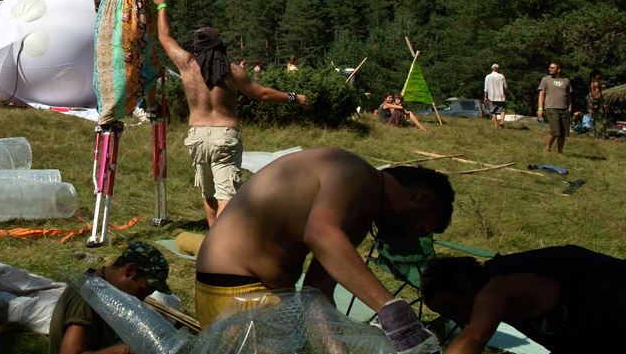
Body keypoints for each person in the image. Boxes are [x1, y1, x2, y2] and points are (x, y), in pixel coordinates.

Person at [195, 148, 454, 353]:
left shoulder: (360, 220)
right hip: (234, 294)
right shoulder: (355, 173)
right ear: (423, 198)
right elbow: (319, 234)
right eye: (420, 229)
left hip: (261, 298)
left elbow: (317, 292)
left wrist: (338, 351)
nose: (408, 238)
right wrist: (395, 314)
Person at [154, 0, 308, 228]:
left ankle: (213, 239)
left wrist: (162, 6)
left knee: (208, 193)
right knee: (226, 195)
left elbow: (165, 38)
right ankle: (222, 242)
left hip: (197, 137)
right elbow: (263, 94)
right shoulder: (233, 70)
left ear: (196, 47)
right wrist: (293, 97)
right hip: (225, 136)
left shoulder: (187, 65)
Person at [422, 246, 626, 354]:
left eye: (452, 309)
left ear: (463, 282)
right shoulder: (503, 305)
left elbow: (474, 337)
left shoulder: (498, 286)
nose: (460, 322)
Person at [49, 241, 171, 354]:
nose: (141, 299)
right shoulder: (87, 299)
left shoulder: (106, 291)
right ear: (130, 270)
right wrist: (124, 349)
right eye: (142, 291)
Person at [537, 62, 572, 154]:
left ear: (559, 70)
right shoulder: (546, 80)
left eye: (553, 68)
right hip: (551, 107)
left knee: (563, 133)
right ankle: (547, 148)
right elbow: (542, 94)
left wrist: (570, 108)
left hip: (564, 108)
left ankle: (560, 152)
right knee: (555, 130)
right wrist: (540, 109)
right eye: (550, 67)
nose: (550, 69)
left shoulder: (566, 81)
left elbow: (569, 96)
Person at [483, 64, 507, 129]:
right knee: (502, 110)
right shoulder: (501, 76)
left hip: (491, 96)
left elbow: (486, 88)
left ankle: (496, 124)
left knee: (493, 111)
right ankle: (502, 121)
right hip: (500, 96)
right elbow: (505, 87)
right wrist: (505, 95)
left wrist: (485, 97)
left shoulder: (488, 77)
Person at [587, 69, 606, 139]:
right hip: (597, 101)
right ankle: (600, 135)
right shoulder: (596, 83)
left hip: (591, 101)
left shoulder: (591, 83)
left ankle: (593, 134)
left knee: (594, 118)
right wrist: (603, 103)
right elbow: (598, 94)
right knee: (600, 118)